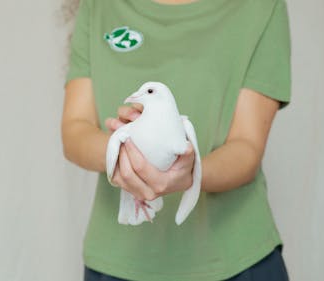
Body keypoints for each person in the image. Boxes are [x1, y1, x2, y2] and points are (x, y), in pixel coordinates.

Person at [61, 0, 292, 280]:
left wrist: (191, 171)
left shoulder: (260, 7)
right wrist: (124, 152)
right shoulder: (99, 6)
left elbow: (247, 146)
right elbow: (75, 130)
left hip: (236, 262)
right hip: (118, 261)